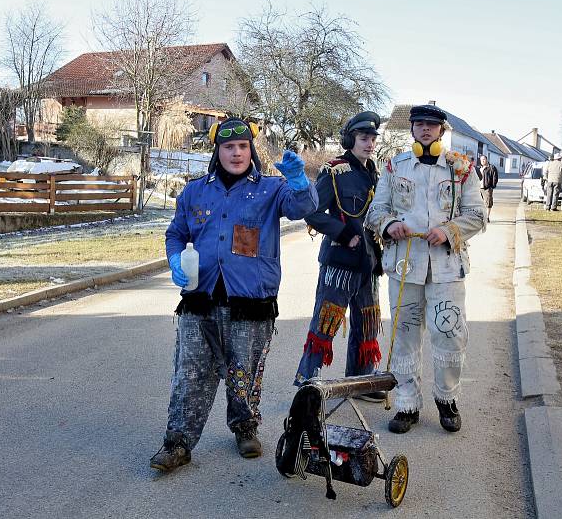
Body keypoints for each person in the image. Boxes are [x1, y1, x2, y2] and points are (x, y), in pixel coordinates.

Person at [150, 118, 318, 473]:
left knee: (245, 373)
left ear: (251, 150)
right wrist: (175, 258)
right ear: (218, 151)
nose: (236, 153)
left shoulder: (272, 189)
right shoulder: (195, 191)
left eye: (243, 146)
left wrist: (300, 182)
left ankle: (245, 427)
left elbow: (303, 208)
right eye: (229, 147)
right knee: (190, 374)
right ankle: (177, 443)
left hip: (251, 302)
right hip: (200, 300)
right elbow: (175, 233)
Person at [364, 104, 486, 434]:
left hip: (446, 267)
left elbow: (478, 215)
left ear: (442, 131)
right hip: (405, 265)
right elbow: (376, 211)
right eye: (420, 125)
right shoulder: (394, 166)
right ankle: (407, 404)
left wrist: (448, 230)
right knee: (404, 335)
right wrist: (389, 225)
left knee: (448, 332)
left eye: (432, 125)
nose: (426, 130)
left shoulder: (462, 169)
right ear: (412, 130)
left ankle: (446, 399)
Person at [293, 111, 386, 402]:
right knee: (326, 321)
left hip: (369, 262)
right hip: (340, 262)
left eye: (372, 139)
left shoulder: (376, 173)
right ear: (350, 140)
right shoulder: (334, 171)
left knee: (367, 322)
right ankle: (307, 382)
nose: (369, 144)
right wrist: (344, 234)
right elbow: (311, 211)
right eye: (363, 138)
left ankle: (360, 382)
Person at [478, 155, 499, 222]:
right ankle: (482, 216)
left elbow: (495, 177)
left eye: (484, 159)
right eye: (481, 160)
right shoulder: (479, 168)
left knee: (488, 203)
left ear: (487, 160)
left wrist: (492, 186)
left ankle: (487, 217)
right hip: (479, 188)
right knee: (480, 203)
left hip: (487, 188)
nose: (482, 161)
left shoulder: (491, 167)